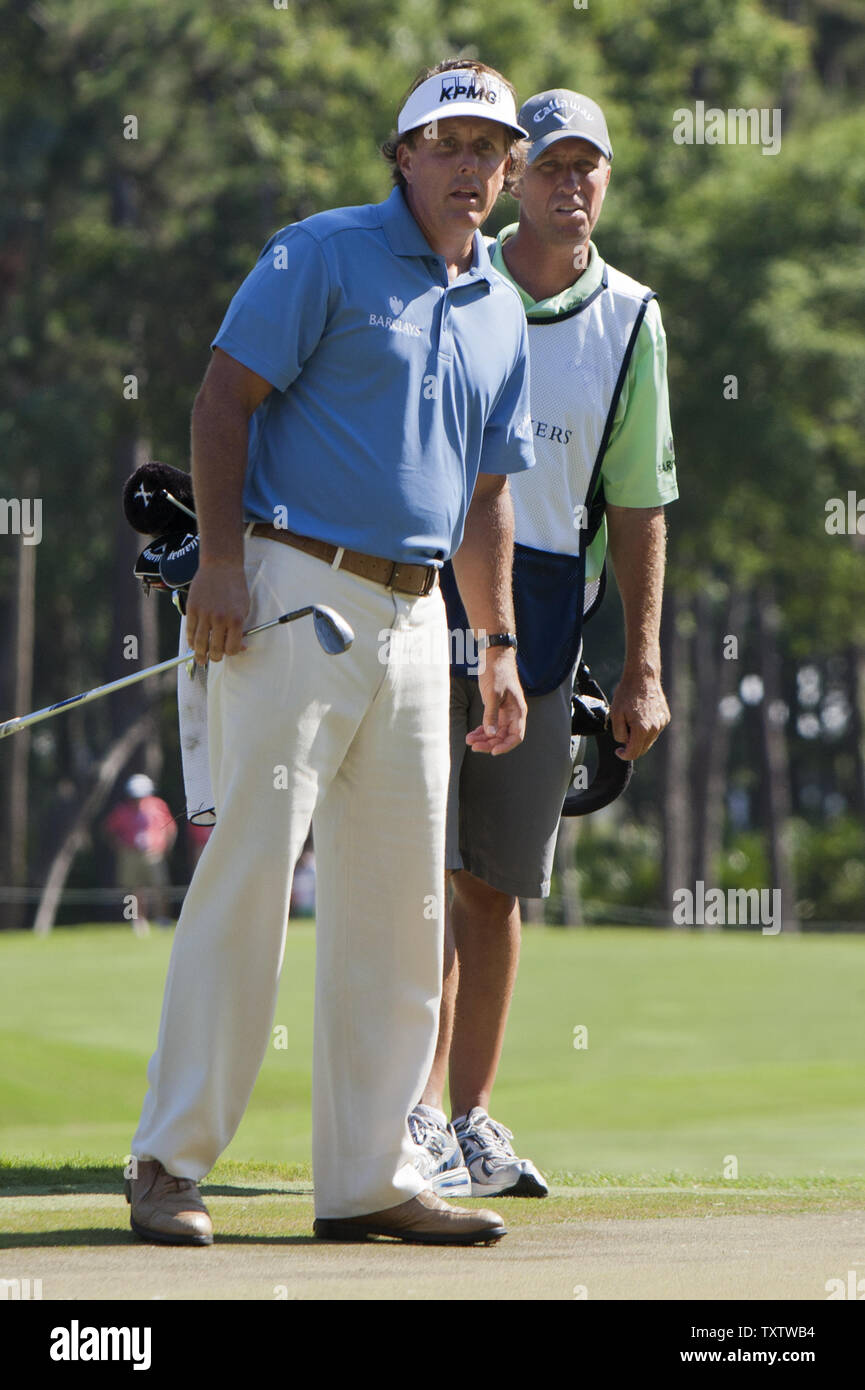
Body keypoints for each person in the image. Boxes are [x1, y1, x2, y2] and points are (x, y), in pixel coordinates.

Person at [124, 58, 535, 1249]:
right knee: (249, 871)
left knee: (401, 904)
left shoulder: (499, 305)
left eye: (487, 149)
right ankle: (169, 1160)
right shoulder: (322, 251)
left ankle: (367, 1172)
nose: (470, 166)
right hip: (293, 585)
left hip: (421, 620)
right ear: (402, 156)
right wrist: (221, 565)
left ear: (507, 173)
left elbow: (485, 497)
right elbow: (221, 400)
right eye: (446, 143)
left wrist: (496, 642)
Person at [410, 90, 679, 1198]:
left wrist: (644, 666)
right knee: (415, 870)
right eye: (553, 165)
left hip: (550, 605)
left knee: (494, 882)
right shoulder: (451, 279)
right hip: (426, 586)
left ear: (606, 180)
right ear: (518, 177)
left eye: (590, 167)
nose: (571, 184)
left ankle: (469, 1115)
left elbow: (639, 499)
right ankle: (411, 1113)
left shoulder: (631, 317)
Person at [104, 774, 177, 933]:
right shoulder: (122, 810)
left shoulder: (158, 806)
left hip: (154, 853)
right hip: (131, 854)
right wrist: (121, 846)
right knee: (134, 890)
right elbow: (110, 832)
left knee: (160, 887)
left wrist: (165, 847)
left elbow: (170, 828)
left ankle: (162, 919)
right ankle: (137, 921)